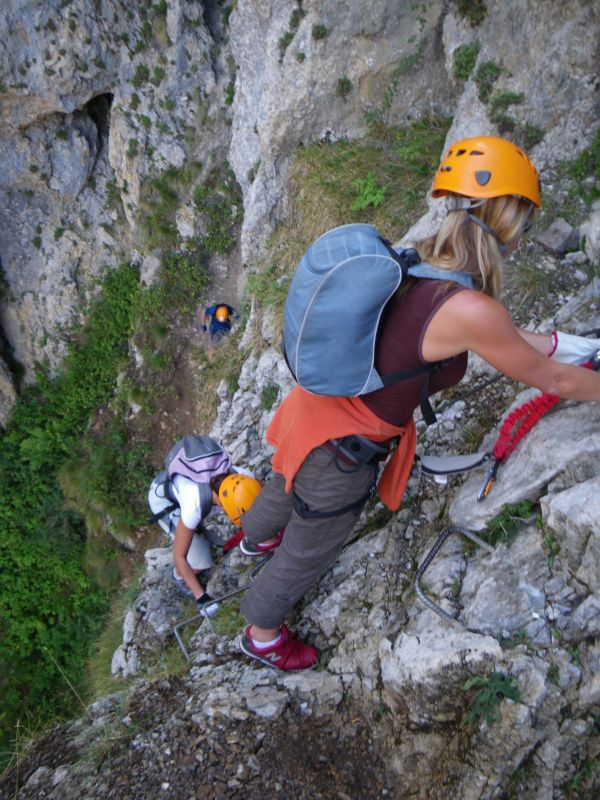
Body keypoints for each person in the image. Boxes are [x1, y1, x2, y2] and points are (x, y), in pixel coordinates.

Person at [234, 135, 600, 671]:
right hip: (340, 452)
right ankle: (261, 634)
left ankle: (252, 540)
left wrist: (577, 346)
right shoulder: (469, 304)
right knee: (311, 546)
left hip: (310, 412)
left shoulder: (426, 258)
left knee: (282, 485)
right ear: (509, 220)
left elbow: (505, 338)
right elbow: (553, 381)